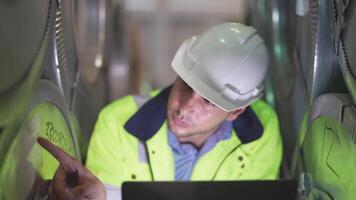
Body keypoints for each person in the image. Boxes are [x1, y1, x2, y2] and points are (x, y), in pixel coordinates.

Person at [39, 22, 282, 200]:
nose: (185, 107)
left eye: (208, 101)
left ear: (236, 112)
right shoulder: (117, 122)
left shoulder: (260, 133)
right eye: (186, 85)